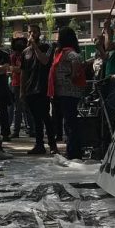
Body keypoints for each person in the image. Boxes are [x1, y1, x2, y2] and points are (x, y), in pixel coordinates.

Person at [48, 26, 85, 159]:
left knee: (70, 123)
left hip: (68, 92)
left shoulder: (69, 52)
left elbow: (76, 60)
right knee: (68, 122)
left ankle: (73, 152)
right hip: (63, 92)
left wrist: (73, 75)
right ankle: (72, 150)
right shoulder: (61, 52)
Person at [21, 23, 57, 155]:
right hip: (30, 89)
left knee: (45, 116)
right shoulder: (25, 52)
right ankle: (39, 144)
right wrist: (22, 91)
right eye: (30, 32)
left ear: (39, 34)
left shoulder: (46, 47)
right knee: (36, 118)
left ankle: (52, 144)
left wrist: (34, 46)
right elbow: (23, 72)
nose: (32, 34)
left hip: (42, 88)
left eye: (35, 32)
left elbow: (45, 61)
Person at [9, 35, 33, 138]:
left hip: (27, 83)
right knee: (17, 108)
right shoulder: (13, 56)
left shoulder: (27, 54)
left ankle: (32, 129)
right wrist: (19, 69)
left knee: (28, 108)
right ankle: (16, 131)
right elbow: (12, 68)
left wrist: (18, 69)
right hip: (16, 84)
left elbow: (23, 69)